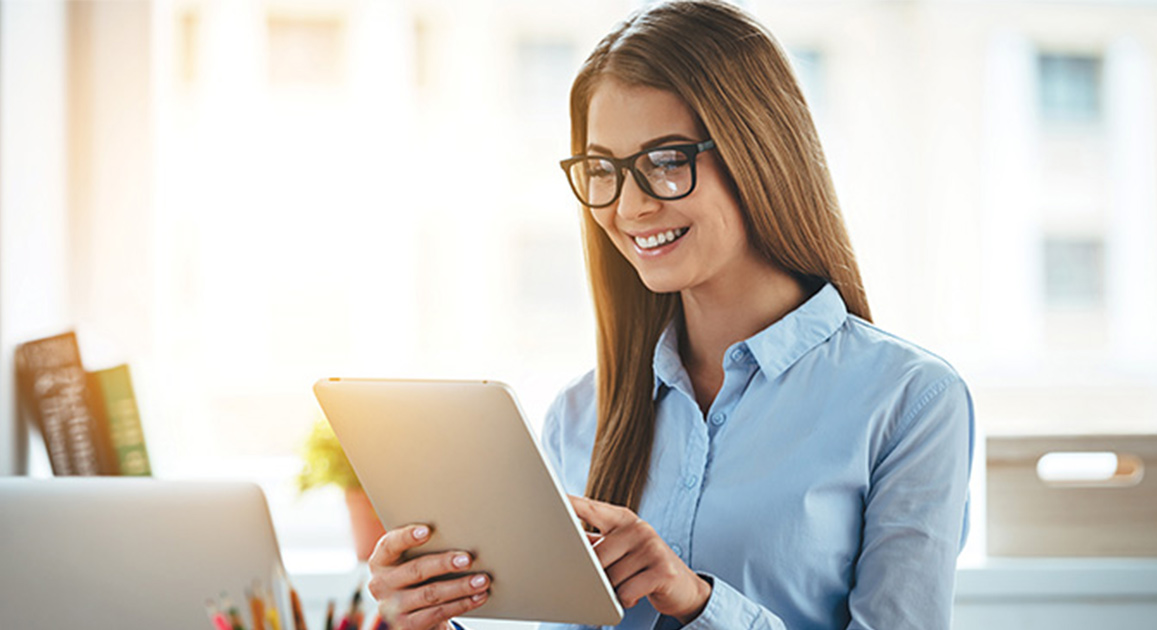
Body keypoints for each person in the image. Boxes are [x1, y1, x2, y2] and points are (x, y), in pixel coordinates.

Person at [367, 1, 974, 629]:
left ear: (758, 153)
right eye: (603, 169)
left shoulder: (911, 401)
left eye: (665, 160)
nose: (629, 207)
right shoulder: (581, 414)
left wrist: (698, 602)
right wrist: (436, 617)